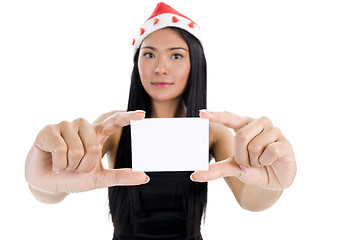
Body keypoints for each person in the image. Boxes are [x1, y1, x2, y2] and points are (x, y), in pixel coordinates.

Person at [25, 2, 297, 240]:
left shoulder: (211, 132)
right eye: (149, 54)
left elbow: (250, 199)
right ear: (137, 63)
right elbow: (51, 191)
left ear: (196, 64)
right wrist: (48, 181)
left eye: (176, 55)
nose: (160, 67)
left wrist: (273, 181)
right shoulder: (113, 127)